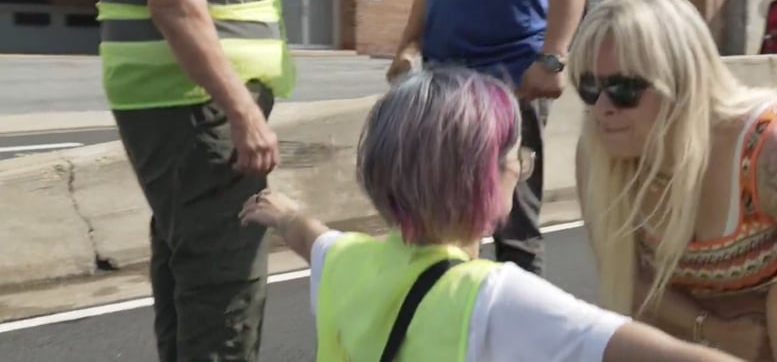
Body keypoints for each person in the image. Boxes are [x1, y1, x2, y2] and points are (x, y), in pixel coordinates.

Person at [240, 67, 743, 362]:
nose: (520, 171)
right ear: (480, 177)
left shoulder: (346, 265)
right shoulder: (496, 298)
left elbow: (313, 237)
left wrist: (283, 213)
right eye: (515, 160)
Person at [570, 0, 777, 361]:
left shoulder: (769, 147)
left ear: (682, 82)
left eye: (624, 89)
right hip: (734, 308)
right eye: (589, 87)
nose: (602, 107)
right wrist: (715, 330)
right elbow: (632, 283)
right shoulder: (597, 153)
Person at [96, 0, 296, 360]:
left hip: (186, 109)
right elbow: (175, 4)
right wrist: (241, 111)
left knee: (188, 264)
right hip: (197, 111)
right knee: (224, 277)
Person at [385, 0, 589, 276]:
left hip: (510, 81)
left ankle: (519, 330)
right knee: (443, 222)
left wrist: (553, 56)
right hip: (444, 82)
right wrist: (408, 45)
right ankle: (456, 319)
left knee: (511, 225)